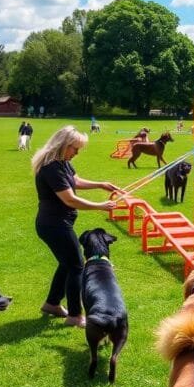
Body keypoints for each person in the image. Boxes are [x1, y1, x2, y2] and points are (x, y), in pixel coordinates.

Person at [32, 126, 119, 327]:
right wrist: (100, 206)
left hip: (58, 223)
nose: (77, 153)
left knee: (67, 263)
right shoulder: (50, 168)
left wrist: (100, 184)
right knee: (77, 266)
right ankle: (74, 316)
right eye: (75, 148)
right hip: (54, 225)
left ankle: (52, 304)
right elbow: (70, 199)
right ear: (63, 145)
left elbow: (75, 181)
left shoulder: (63, 163)